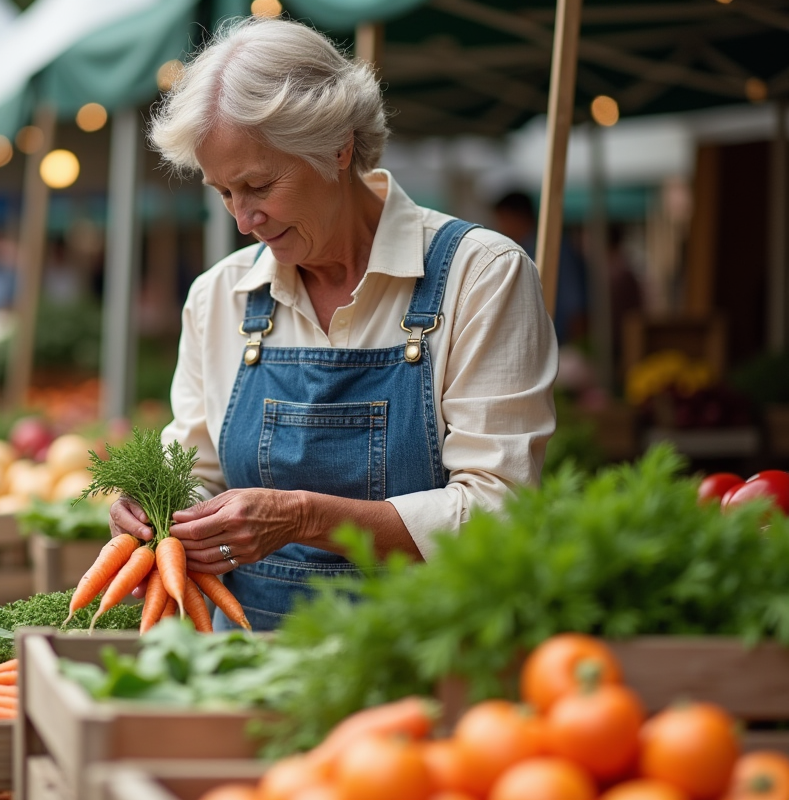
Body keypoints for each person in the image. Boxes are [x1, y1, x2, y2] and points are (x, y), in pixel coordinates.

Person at [108, 18, 557, 631]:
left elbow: (498, 509)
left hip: (429, 665)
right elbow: (197, 470)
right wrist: (158, 511)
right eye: (223, 193)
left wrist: (302, 517)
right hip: (245, 670)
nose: (244, 219)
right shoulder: (219, 297)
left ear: (337, 147)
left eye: (258, 185)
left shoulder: (480, 275)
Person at [492, 191, 589, 345]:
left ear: (517, 217)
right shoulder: (520, 250)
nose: (500, 226)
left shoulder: (553, 248)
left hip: (560, 344)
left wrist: (576, 347)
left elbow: (574, 307)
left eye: (502, 219)